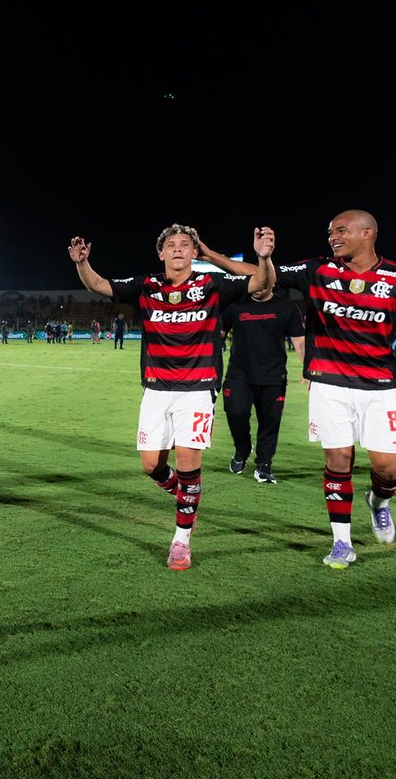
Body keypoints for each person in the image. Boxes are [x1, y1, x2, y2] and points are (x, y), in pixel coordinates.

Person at [199, 209, 396, 568]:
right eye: (329, 232)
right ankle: (342, 542)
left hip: (381, 385)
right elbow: (264, 278)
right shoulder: (318, 270)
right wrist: (257, 257)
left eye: (341, 230)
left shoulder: (395, 278)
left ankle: (379, 502)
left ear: (368, 232)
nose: (332, 237)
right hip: (330, 381)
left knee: (389, 468)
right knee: (338, 459)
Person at [68, 223, 274, 571]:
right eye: (171, 245)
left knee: (188, 463)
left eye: (185, 244)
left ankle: (181, 540)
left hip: (197, 388)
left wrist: (262, 257)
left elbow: (260, 281)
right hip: (156, 388)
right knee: (151, 466)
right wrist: (81, 263)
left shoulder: (212, 285)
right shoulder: (146, 285)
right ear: (161, 253)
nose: (178, 249)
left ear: (194, 252)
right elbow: (99, 285)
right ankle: (186, 492)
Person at [221, 286, 305, 484]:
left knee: (270, 421)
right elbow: (220, 335)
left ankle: (264, 465)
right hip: (239, 375)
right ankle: (242, 448)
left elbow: (300, 341)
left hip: (273, 376)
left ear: (272, 283)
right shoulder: (235, 306)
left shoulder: (287, 307)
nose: (258, 286)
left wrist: (308, 369)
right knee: (235, 413)